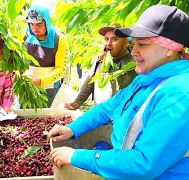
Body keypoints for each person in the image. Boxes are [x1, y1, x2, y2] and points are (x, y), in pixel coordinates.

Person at [48, 4, 189, 179]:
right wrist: (72, 129)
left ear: (170, 48)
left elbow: (144, 164)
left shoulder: (179, 95)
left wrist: (76, 156)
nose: (134, 51)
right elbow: (110, 107)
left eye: (142, 45)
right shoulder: (146, 79)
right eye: (134, 44)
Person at [64, 23, 137, 110]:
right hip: (100, 113)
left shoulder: (131, 63)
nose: (109, 43)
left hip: (116, 115)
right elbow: (91, 79)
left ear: (125, 42)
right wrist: (76, 103)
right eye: (106, 39)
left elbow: (120, 93)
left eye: (114, 39)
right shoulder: (102, 57)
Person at [23, 2, 69, 107]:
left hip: (49, 88)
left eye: (39, 24)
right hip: (26, 87)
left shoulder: (59, 39)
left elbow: (61, 69)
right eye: (32, 24)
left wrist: (40, 81)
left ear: (47, 22)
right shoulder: (25, 36)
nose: (35, 28)